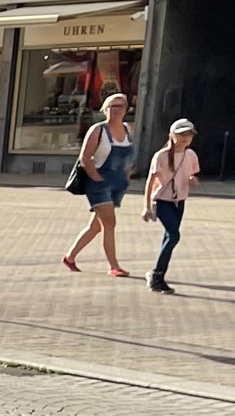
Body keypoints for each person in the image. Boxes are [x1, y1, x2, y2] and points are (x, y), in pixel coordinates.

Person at [61, 93, 134, 278]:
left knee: (96, 226)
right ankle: (114, 266)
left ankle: (70, 257)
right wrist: (96, 177)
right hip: (99, 185)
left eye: (120, 106)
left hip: (118, 185)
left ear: (126, 109)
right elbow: (85, 157)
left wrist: (127, 174)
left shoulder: (128, 129)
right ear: (105, 109)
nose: (116, 110)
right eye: (112, 107)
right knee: (110, 223)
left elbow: (129, 156)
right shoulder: (98, 130)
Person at [142, 118, 201, 294]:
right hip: (162, 200)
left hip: (179, 201)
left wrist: (192, 181)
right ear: (171, 136)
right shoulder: (161, 156)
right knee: (174, 236)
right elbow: (150, 182)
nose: (185, 138)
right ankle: (157, 275)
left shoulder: (190, 155)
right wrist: (146, 206)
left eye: (188, 134)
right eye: (181, 134)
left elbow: (192, 177)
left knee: (169, 237)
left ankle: (157, 274)